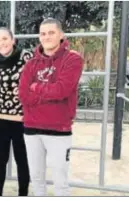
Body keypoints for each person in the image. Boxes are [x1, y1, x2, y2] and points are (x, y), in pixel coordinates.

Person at [19, 18, 84, 196]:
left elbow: (63, 90)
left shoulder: (73, 59)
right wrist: (49, 94)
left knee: (60, 181)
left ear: (61, 35)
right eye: (43, 33)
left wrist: (37, 88)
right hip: (32, 129)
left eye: (51, 32)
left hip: (59, 129)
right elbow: (23, 95)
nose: (46, 37)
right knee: (37, 178)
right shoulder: (31, 64)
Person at [0, 27, 32, 196]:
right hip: (0, 121)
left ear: (12, 40)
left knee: (23, 162)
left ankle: (23, 194)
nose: (2, 43)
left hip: (23, 121)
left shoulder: (27, 58)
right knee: (0, 162)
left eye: (4, 39)